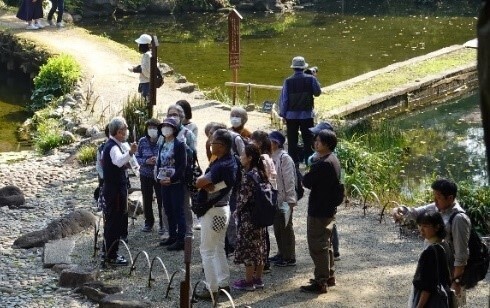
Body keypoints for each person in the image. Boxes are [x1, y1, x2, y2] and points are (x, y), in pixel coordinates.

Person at [392, 178, 471, 300]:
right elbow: (416, 213)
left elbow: (461, 254)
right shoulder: (438, 207)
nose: (435, 200)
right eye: (434, 196)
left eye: (438, 197)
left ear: (450, 198)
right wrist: (400, 210)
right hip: (435, 264)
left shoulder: (459, 218)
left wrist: (456, 281)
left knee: (446, 301)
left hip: (449, 271)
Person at [194, 129, 237, 301]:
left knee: (207, 250)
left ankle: (211, 287)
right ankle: (223, 281)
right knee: (218, 247)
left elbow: (200, 182)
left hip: (213, 212)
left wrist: (204, 183)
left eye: (214, 143)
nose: (211, 144)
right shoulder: (230, 161)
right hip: (223, 209)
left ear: (223, 146)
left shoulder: (221, 165)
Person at [301, 129, 341, 294]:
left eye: (318, 141)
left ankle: (321, 281)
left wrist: (310, 167)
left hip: (319, 210)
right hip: (329, 208)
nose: (315, 143)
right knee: (327, 243)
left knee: (317, 245)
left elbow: (307, 182)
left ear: (326, 144)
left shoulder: (322, 163)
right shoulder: (334, 159)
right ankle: (329, 276)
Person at [101, 116, 138, 266]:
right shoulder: (113, 147)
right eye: (124, 130)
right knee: (114, 222)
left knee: (112, 221)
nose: (126, 133)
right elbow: (118, 161)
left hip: (114, 188)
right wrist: (130, 153)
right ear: (118, 132)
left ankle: (109, 253)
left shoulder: (112, 145)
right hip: (115, 190)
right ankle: (111, 255)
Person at [232, 144, 269, 291]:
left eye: (243, 155)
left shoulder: (249, 176)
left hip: (249, 218)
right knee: (259, 247)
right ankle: (258, 279)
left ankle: (248, 281)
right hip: (260, 216)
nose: (241, 157)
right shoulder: (261, 173)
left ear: (250, 158)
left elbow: (243, 198)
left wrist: (237, 211)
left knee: (249, 249)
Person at [279, 56, 322, 166]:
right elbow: (317, 92)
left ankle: (294, 165)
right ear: (303, 68)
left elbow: (284, 100)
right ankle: (309, 164)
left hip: (291, 116)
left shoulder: (287, 81)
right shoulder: (311, 79)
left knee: (292, 142)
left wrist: (283, 114)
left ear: (293, 68)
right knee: (308, 141)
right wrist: (314, 78)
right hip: (307, 115)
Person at [308, 122, 341, 261]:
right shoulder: (322, 156)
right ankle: (332, 257)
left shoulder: (327, 158)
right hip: (329, 200)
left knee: (325, 232)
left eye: (318, 139)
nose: (315, 140)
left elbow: (308, 180)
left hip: (323, 203)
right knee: (329, 226)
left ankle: (334, 253)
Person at [409, 211, 452, 308]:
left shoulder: (431, 251)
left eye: (425, 226)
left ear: (437, 227)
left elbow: (428, 286)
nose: (421, 229)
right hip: (443, 294)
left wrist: (419, 306)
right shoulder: (445, 244)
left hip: (431, 299)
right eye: (419, 225)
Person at [156, 118, 187, 251]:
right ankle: (172, 235)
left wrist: (173, 179)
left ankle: (181, 239)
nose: (165, 129)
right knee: (168, 209)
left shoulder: (179, 144)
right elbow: (159, 162)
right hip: (164, 182)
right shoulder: (162, 143)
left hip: (175, 182)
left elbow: (182, 165)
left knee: (178, 210)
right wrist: (159, 178)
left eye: (168, 126)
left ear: (174, 129)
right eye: (164, 126)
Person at [166, 104, 197, 236]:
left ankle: (187, 233)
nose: (172, 117)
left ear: (181, 117)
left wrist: (183, 145)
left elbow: (193, 154)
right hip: (166, 175)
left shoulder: (187, 133)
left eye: (175, 115)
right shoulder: (165, 132)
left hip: (183, 174)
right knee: (167, 205)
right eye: (170, 115)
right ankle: (170, 232)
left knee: (184, 205)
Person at [269, 131, 297, 267]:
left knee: (286, 228)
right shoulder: (271, 157)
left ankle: (289, 256)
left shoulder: (284, 158)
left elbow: (289, 179)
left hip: (285, 199)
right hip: (275, 198)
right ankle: (281, 252)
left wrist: (290, 200)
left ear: (276, 143)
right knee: (278, 227)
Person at [250, 130, 277, 271]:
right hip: (266, 195)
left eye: (252, 140)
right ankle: (263, 260)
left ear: (259, 143)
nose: (249, 142)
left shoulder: (262, 158)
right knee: (263, 231)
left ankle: (263, 261)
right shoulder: (268, 157)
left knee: (261, 232)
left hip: (261, 196)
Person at [136, 118, 165, 234]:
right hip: (145, 174)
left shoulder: (163, 140)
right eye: (150, 128)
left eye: (154, 128)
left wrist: (158, 161)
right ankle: (149, 222)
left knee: (161, 199)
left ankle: (163, 223)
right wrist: (146, 161)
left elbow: (167, 156)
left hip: (159, 174)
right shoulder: (142, 141)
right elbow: (137, 158)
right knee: (147, 198)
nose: (152, 130)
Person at [176, 99, 201, 230]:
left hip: (189, 162)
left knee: (193, 193)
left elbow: (193, 147)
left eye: (181, 111)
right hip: (177, 163)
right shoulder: (172, 126)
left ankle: (199, 217)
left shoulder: (192, 127)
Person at [129, 34, 152, 101]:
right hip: (146, 82)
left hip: (146, 83)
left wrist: (133, 70)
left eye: (140, 44)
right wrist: (137, 67)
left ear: (144, 45)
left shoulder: (147, 55)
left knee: (145, 102)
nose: (138, 46)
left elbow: (146, 71)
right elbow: (145, 67)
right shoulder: (149, 54)